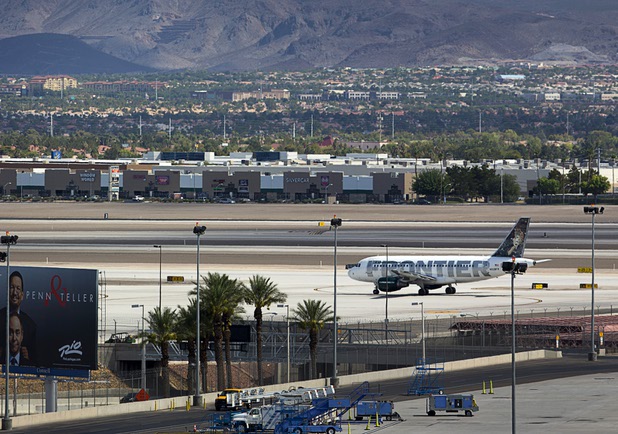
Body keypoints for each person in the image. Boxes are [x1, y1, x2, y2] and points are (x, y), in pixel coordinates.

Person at [0, 271, 37, 365]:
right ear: (7, 291)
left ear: (22, 295)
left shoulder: (31, 325)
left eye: (18, 288)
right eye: (12, 287)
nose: (15, 292)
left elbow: (35, 362)